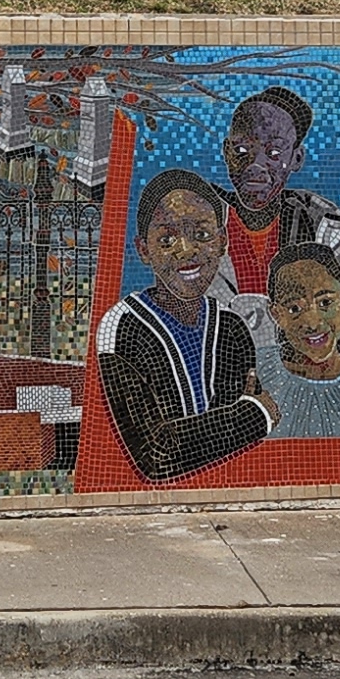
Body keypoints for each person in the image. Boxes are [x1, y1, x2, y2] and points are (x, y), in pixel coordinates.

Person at [96, 170, 274, 482]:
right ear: (144, 250)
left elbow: (229, 439)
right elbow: (156, 454)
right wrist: (255, 416)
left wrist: (220, 427)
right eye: (166, 239)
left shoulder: (231, 328)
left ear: (222, 242)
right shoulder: (120, 327)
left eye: (202, 235)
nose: (186, 250)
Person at [209, 87, 340, 319]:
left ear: (296, 159)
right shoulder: (201, 221)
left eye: (274, 153)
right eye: (241, 149)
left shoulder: (320, 230)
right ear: (226, 151)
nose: (255, 164)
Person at [257, 240, 340, 439]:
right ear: (276, 315)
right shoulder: (256, 370)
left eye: (325, 302)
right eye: (294, 308)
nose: (312, 322)